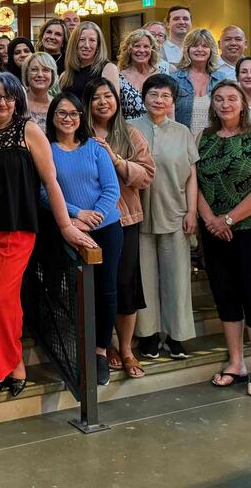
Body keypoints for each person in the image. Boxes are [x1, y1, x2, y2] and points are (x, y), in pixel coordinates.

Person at [0, 72, 95, 396]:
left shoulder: (29, 131)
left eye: (8, 97)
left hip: (18, 227)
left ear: (17, 100)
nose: (1, 102)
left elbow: (51, 182)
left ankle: (14, 362)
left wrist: (66, 225)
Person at [195, 81, 251, 398]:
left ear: (243, 103)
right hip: (215, 232)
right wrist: (210, 220)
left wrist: (229, 219)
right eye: (219, 99)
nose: (225, 104)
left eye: (232, 98)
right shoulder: (204, 138)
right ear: (212, 105)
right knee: (226, 296)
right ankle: (235, 362)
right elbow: (195, 182)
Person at [45, 93, 121, 385]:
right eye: (62, 113)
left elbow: (111, 189)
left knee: (106, 290)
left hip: (106, 228)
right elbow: (43, 192)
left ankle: (100, 350)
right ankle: (73, 348)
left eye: (74, 113)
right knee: (71, 292)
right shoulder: (48, 150)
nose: (68, 118)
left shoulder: (95, 148)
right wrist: (76, 214)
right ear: (53, 117)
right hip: (69, 227)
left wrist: (94, 217)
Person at [87, 78, 154, 380]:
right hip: (88, 223)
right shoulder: (80, 133)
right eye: (96, 98)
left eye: (108, 96)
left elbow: (147, 175)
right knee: (98, 288)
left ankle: (126, 348)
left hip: (125, 220)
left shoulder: (130, 134)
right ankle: (106, 344)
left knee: (125, 286)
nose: (103, 102)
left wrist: (116, 160)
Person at [130, 74, 198, 362]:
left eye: (166, 96)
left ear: (173, 101)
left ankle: (176, 335)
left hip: (176, 211)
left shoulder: (183, 132)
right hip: (139, 212)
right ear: (144, 97)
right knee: (143, 276)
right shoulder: (129, 128)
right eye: (154, 94)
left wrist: (192, 211)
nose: (159, 100)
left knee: (177, 276)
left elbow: (192, 176)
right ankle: (147, 336)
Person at [171, 28, 225, 137]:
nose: (200, 49)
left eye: (205, 46)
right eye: (195, 45)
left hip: (214, 143)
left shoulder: (221, 79)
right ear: (187, 49)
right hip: (183, 142)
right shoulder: (174, 79)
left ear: (211, 50)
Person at [60, 21, 120, 99]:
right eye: (82, 40)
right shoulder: (65, 75)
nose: (87, 45)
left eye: (92, 40)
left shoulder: (108, 69)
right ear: (74, 43)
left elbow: (112, 105)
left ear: (98, 45)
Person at [117, 28, 162, 119]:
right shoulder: (120, 78)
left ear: (152, 50)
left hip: (158, 130)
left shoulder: (160, 75)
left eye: (146, 46)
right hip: (129, 130)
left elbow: (169, 108)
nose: (141, 50)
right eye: (137, 46)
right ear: (129, 50)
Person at [22, 51, 60, 132]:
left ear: (52, 75)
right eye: (34, 69)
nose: (40, 74)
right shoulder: (17, 103)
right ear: (26, 74)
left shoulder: (58, 105)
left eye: (46, 70)